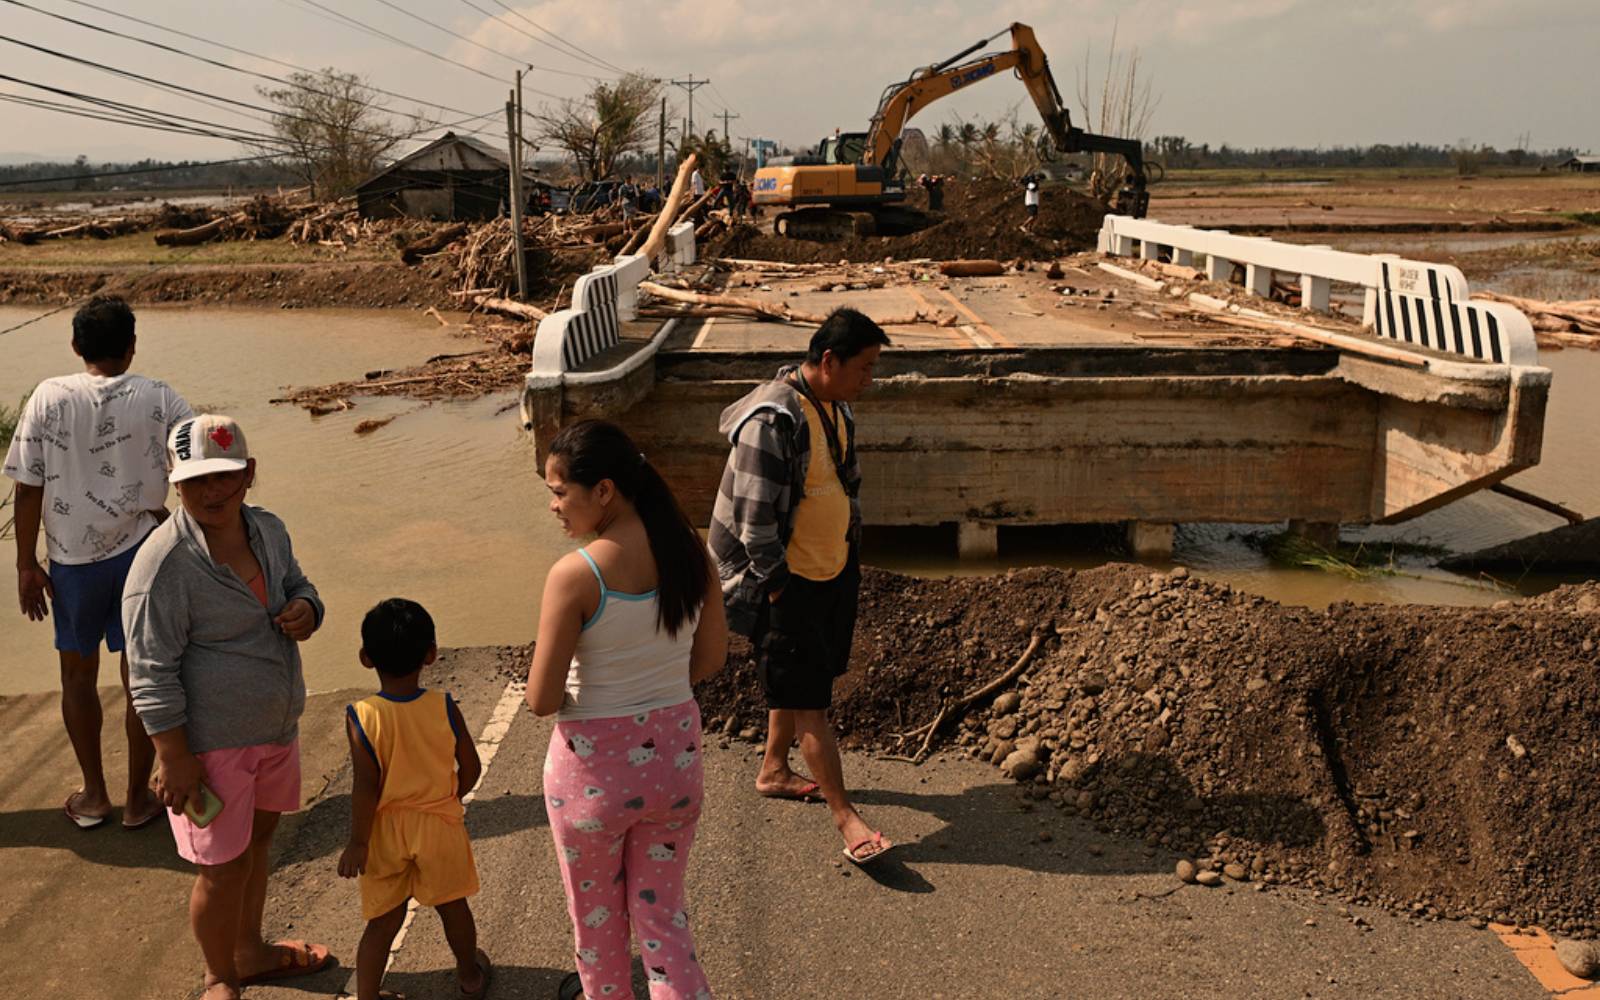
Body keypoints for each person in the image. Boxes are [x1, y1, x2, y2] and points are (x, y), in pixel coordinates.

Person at [123, 414, 331, 1000]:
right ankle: (219, 976)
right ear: (175, 483)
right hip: (211, 749)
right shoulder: (162, 566)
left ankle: (250, 951)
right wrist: (174, 757)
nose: (212, 491)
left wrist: (308, 610)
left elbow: (300, 584)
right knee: (221, 868)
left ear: (249, 473)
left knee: (258, 845)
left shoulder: (269, 530)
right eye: (196, 480)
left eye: (224, 476)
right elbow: (149, 672)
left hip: (276, 728)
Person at [527, 419, 726, 1000]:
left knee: (599, 930)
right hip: (675, 766)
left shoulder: (576, 575)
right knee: (663, 919)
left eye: (559, 492)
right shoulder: (692, 554)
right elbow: (709, 659)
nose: (553, 506)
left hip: (592, 780)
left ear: (604, 490)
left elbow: (541, 699)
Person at [707, 308, 893, 866]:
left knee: (799, 680)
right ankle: (847, 818)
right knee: (811, 702)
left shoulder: (836, 407)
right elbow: (753, 520)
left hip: (830, 569)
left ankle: (773, 769)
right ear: (829, 360)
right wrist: (778, 589)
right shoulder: (773, 421)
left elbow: (846, 483)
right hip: (787, 581)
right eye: (864, 368)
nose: (870, 379)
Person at [4, 294, 192, 832]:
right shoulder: (159, 395)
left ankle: (94, 796)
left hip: (72, 561)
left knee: (77, 676)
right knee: (142, 676)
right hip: (144, 554)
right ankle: (137, 799)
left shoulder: (48, 395)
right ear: (132, 346)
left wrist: (25, 564)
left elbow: (27, 488)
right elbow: (199, 455)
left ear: (75, 345)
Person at [339, 598, 491, 1000]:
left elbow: (365, 787)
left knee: (382, 921)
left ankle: (368, 996)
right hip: (438, 824)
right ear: (431, 654)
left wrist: (358, 842)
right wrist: (448, 797)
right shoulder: (443, 706)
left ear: (366, 658)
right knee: (453, 907)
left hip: (385, 831)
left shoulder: (362, 716)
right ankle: (470, 977)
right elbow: (471, 766)